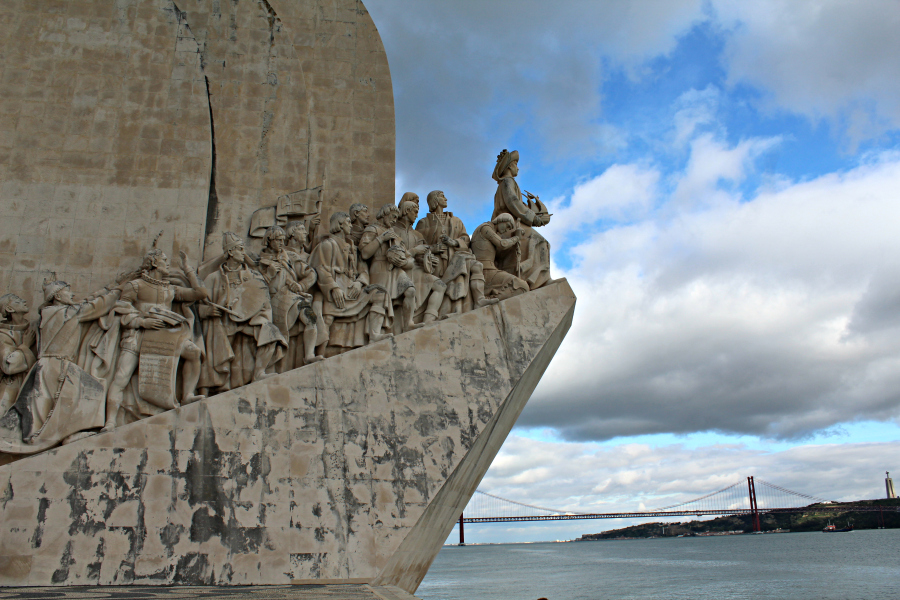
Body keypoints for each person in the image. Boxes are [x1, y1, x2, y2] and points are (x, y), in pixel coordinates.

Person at [6, 278, 122, 450]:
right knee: (88, 391)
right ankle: (61, 435)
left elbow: (87, 300)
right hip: (57, 364)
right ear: (58, 296)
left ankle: (65, 433)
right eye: (68, 291)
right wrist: (119, 290)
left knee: (54, 401)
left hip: (46, 364)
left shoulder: (48, 312)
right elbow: (98, 305)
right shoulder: (69, 312)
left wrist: (113, 285)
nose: (72, 294)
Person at [104, 248, 207, 431]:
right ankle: (110, 421)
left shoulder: (170, 289)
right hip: (138, 335)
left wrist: (188, 269)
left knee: (194, 353)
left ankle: (188, 395)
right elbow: (121, 312)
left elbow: (200, 293)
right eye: (164, 260)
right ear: (153, 263)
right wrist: (143, 322)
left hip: (164, 336)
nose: (168, 264)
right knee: (121, 376)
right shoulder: (135, 286)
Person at [198, 232, 287, 393]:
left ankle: (259, 372)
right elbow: (200, 306)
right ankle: (210, 385)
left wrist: (258, 317)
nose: (243, 253)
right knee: (214, 334)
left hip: (247, 320)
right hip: (223, 323)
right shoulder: (213, 278)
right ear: (230, 252)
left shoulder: (253, 276)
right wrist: (207, 311)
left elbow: (263, 301)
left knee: (270, 331)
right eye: (239, 249)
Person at [310, 212, 391, 355]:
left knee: (380, 294)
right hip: (335, 289)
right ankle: (319, 353)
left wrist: (359, 283)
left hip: (353, 289)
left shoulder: (353, 248)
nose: (351, 225)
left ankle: (374, 335)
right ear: (340, 225)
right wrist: (334, 288)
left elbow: (363, 270)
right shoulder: (328, 245)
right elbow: (320, 269)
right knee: (328, 317)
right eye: (348, 222)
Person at [416, 190, 497, 315]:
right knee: (447, 283)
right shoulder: (424, 222)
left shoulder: (456, 220)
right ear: (435, 200)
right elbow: (418, 245)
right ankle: (448, 312)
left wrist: (454, 242)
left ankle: (479, 299)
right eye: (442, 196)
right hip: (437, 262)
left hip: (456, 256)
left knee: (476, 266)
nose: (446, 199)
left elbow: (465, 237)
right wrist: (433, 248)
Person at [257, 226, 324, 369]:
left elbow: (311, 273)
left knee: (311, 318)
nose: (282, 243)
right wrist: (268, 274)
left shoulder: (290, 257)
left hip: (292, 297)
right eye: (278, 240)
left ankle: (309, 355)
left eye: (283, 239)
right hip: (273, 302)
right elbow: (256, 287)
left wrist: (301, 286)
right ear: (269, 240)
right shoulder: (260, 261)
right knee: (273, 336)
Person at [492, 149, 552, 289]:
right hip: (509, 225)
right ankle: (537, 281)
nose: (517, 168)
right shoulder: (507, 181)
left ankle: (538, 278)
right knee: (540, 242)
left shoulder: (508, 183)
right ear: (509, 166)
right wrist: (534, 219)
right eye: (515, 164)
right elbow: (513, 203)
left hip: (513, 222)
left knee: (541, 242)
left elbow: (517, 204)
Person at [470, 213, 529, 300]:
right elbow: (502, 244)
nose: (506, 230)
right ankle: (492, 299)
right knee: (522, 286)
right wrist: (517, 237)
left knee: (523, 287)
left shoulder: (490, 231)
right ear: (501, 220)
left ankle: (491, 298)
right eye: (507, 226)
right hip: (486, 271)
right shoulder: (485, 228)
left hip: (490, 270)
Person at [0, 294, 36, 416]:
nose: (24, 300)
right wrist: (25, 347)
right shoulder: (3, 335)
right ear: (10, 309)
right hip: (9, 388)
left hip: (31, 385)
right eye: (18, 301)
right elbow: (9, 366)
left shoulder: (33, 329)